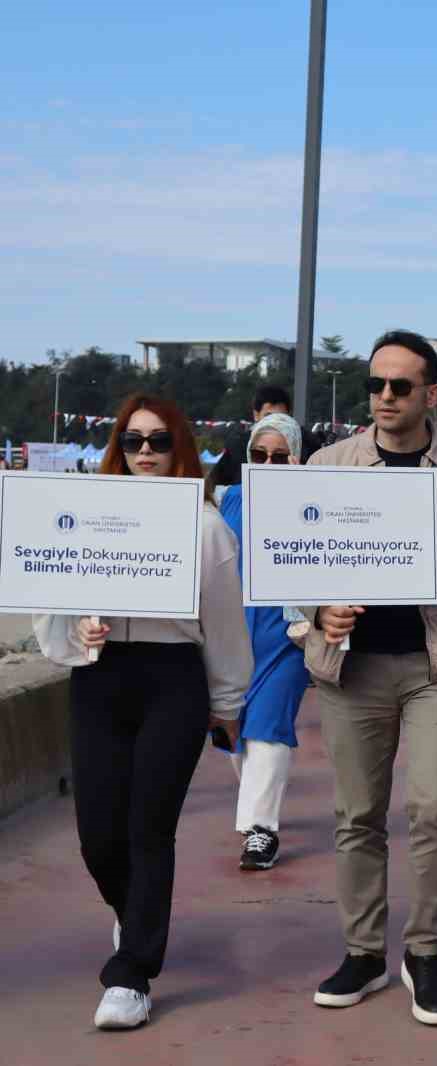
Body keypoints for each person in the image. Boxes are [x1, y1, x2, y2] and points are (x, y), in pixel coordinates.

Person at [305, 331, 437, 1027]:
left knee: (434, 804)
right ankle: (364, 952)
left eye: (400, 385)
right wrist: (316, 613)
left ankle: (425, 951)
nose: (385, 397)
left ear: (431, 393)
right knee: (358, 814)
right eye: (376, 384)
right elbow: (290, 564)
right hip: (350, 667)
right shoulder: (328, 464)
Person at [33, 393, 252, 1030]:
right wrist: (81, 638)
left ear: (180, 444)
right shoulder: (83, 516)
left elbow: (224, 624)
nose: (147, 453)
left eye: (158, 441)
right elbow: (55, 598)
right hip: (101, 680)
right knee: (98, 834)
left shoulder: (207, 527)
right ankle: (135, 916)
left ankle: (132, 974)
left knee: (149, 827)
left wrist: (227, 702)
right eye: (133, 442)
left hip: (173, 680)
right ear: (117, 450)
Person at [217, 413, 313, 871]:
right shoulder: (227, 501)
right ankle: (253, 810)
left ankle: (261, 830)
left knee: (269, 726)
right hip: (233, 633)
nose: (268, 463)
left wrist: (300, 492)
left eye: (280, 456)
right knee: (236, 734)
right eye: (260, 455)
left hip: (286, 635)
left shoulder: (313, 501)